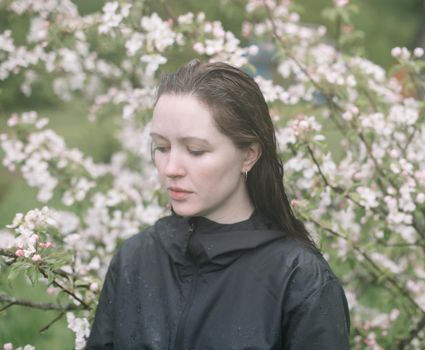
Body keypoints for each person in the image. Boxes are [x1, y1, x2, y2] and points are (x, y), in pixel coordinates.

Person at [86, 60, 350, 349]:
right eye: (161, 147)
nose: (170, 167)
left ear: (249, 154)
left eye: (196, 151)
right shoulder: (135, 259)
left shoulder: (299, 280)